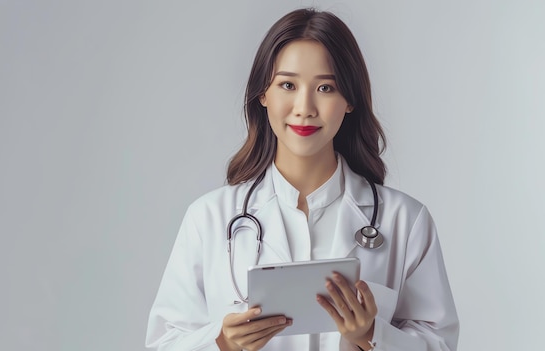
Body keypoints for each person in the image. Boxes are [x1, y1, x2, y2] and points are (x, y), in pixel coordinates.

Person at [145, 8, 459, 351]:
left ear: (349, 100)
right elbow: (165, 341)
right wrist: (221, 343)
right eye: (288, 85)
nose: (304, 107)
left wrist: (370, 336)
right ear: (263, 94)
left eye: (325, 87)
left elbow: (439, 343)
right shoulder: (208, 218)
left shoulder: (405, 221)